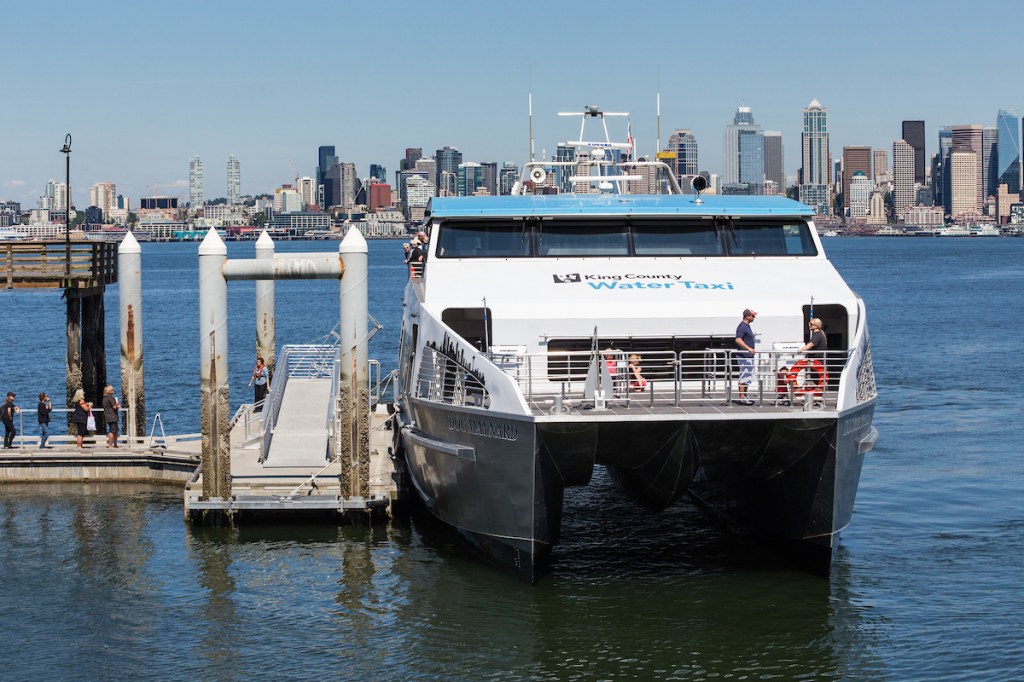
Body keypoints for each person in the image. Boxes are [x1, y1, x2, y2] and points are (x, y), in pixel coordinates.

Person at [734, 308, 758, 405]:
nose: (754, 317)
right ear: (747, 316)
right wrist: (748, 348)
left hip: (748, 356)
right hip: (744, 356)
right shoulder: (742, 327)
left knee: (748, 376)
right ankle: (742, 397)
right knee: (744, 375)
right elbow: (738, 340)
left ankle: (745, 395)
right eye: (753, 315)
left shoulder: (746, 326)